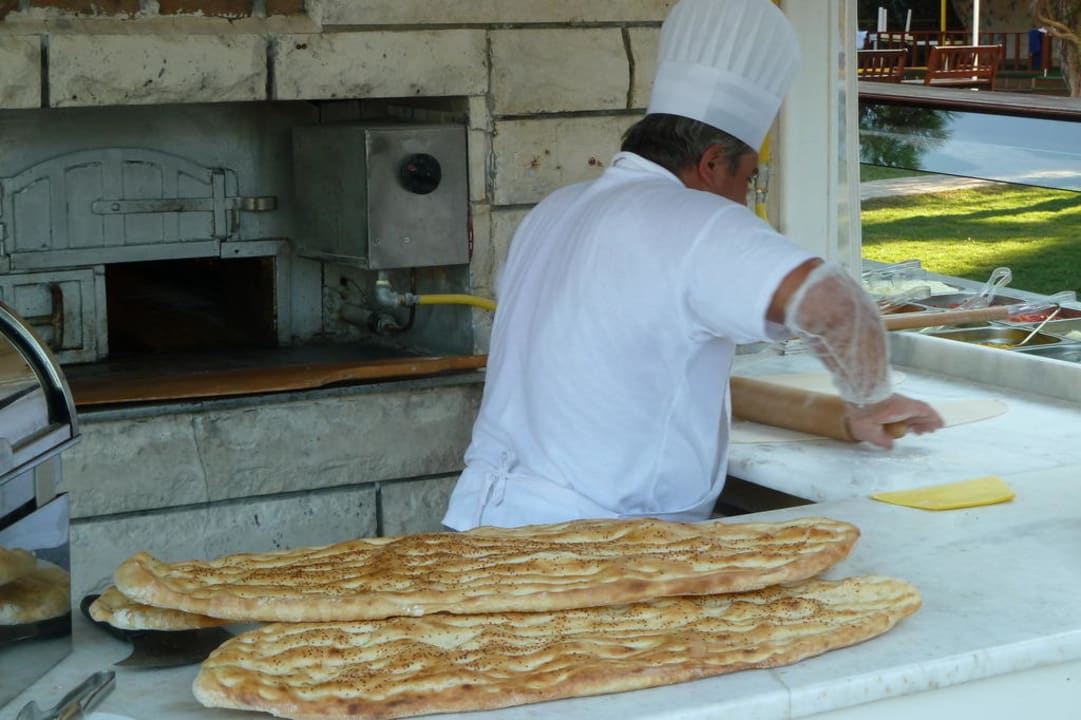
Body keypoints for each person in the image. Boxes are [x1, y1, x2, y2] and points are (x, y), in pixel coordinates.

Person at [442, 0, 944, 531]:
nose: (745, 198)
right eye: (747, 179)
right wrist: (871, 401)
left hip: (476, 525)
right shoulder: (696, 218)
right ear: (710, 163)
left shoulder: (558, 208)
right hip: (598, 543)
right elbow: (836, 303)